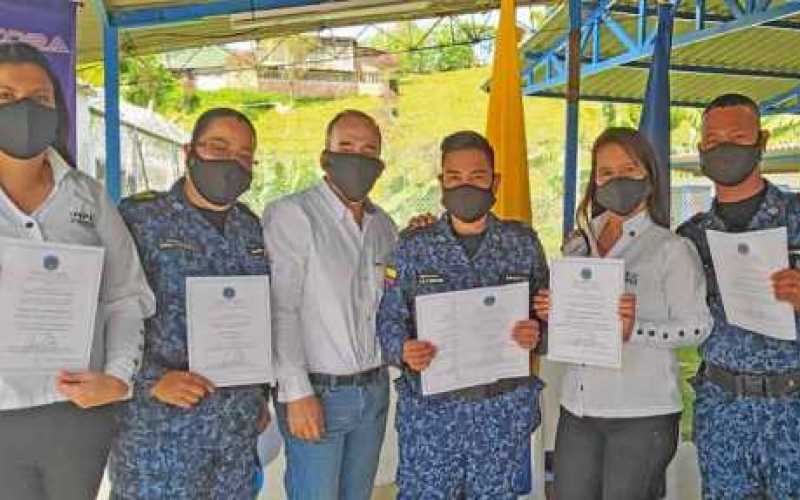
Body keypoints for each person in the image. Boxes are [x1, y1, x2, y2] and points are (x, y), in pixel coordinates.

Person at [0, 42, 155, 500]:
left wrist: (119, 376)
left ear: (58, 110)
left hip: (75, 417)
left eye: (40, 99)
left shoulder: (87, 196)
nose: (24, 110)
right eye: (5, 97)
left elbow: (126, 297)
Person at [534, 127, 712, 500]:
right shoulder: (578, 243)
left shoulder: (671, 249)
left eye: (629, 169)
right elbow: (574, 320)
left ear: (649, 176)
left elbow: (698, 327)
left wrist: (637, 329)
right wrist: (554, 311)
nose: (618, 180)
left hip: (641, 412)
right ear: (595, 181)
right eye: (606, 172)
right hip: (578, 408)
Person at [108, 108, 271, 499]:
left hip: (234, 433)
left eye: (245, 156)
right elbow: (104, 314)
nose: (233, 162)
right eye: (219, 147)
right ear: (189, 152)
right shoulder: (139, 219)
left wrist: (259, 395)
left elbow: (260, 316)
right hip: (161, 434)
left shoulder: (251, 228)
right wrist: (151, 379)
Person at [377, 130, 547, 499]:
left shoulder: (522, 244)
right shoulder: (413, 247)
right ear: (441, 183)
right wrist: (404, 350)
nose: (464, 186)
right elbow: (389, 319)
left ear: (495, 182)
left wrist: (537, 332)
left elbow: (546, 314)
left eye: (477, 177)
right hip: (432, 421)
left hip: (499, 416)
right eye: (454, 177)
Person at [263, 109, 397, 500]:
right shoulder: (294, 215)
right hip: (318, 393)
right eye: (346, 147)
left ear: (380, 164)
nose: (358, 157)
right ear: (326, 156)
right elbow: (280, 309)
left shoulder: (384, 228)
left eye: (368, 150)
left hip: (373, 391)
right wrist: (296, 392)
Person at [677, 94, 800, 499]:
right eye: (712, 140)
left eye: (737, 137)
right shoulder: (690, 237)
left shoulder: (796, 216)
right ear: (700, 151)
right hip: (722, 408)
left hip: (792, 410)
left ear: (761, 142)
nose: (723, 148)